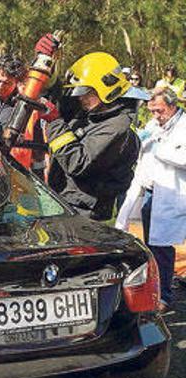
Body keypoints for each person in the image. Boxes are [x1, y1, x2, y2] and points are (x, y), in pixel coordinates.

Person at [43, 52, 140, 221]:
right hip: (66, 203)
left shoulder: (116, 127)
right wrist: (45, 62)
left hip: (87, 214)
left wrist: (54, 121)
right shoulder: (92, 110)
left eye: (86, 92)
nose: (80, 97)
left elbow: (77, 163)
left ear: (106, 88)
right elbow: (58, 97)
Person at [116, 86, 186, 313]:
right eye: (152, 111)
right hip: (149, 193)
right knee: (150, 247)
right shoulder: (154, 126)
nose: (156, 115)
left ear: (173, 106)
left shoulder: (183, 126)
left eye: (160, 110)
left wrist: (161, 149)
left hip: (172, 195)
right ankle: (154, 292)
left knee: (163, 248)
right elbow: (143, 161)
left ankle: (165, 296)